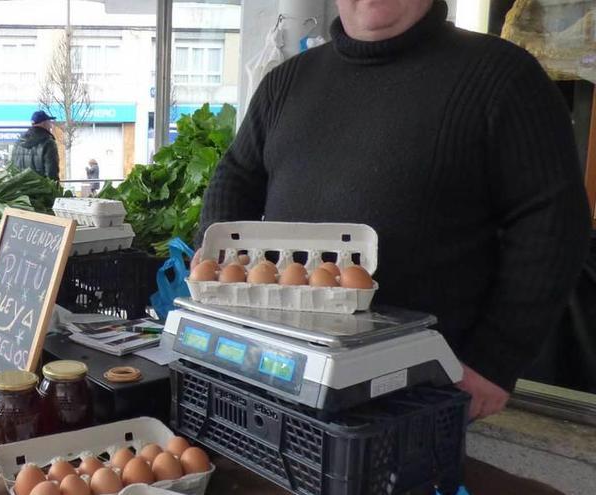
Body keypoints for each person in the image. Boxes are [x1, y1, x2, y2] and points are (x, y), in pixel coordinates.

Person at [196, 2, 590, 490]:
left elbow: (554, 222)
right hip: (281, 383)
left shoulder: (502, 76)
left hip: (413, 405)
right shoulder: (288, 82)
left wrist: (495, 360)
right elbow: (235, 174)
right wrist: (213, 264)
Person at [10, 110, 60, 180]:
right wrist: (55, 189)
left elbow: (13, 170)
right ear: (44, 123)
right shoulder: (48, 143)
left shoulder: (18, 143)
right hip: (41, 190)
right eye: (49, 122)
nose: (51, 126)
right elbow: (52, 173)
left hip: (20, 189)